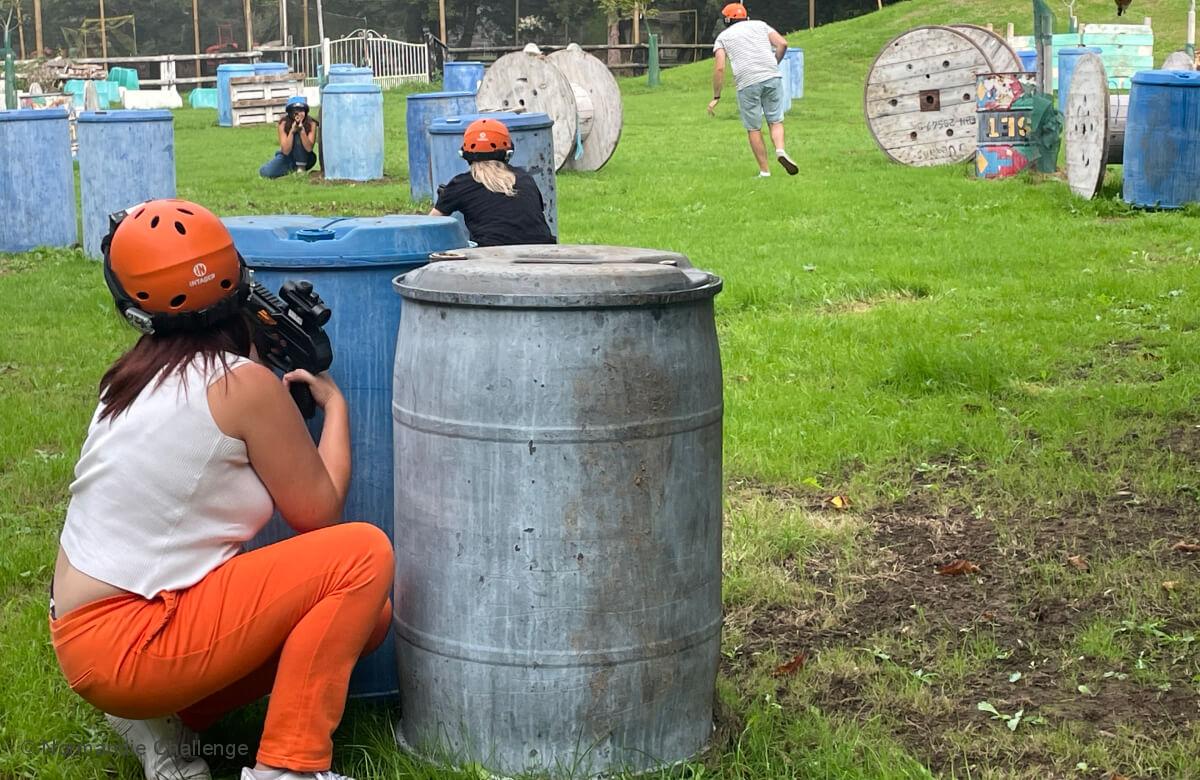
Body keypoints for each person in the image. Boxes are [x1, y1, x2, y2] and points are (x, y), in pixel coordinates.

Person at [49, 199, 391, 780]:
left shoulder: (129, 381)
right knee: (363, 555)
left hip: (84, 636)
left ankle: (167, 718)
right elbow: (320, 513)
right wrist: (335, 408)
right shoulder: (243, 386)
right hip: (132, 641)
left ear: (133, 307)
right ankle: (290, 767)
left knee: (371, 619)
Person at [429, 117, 556, 246]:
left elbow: (431, 225)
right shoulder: (524, 178)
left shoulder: (460, 184)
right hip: (542, 251)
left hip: (492, 256)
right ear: (508, 153)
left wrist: (445, 198)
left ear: (464, 154)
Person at [707, 2, 798, 178]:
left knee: (754, 128)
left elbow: (719, 68)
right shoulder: (760, 25)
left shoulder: (723, 37)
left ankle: (765, 172)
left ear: (727, 19)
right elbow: (782, 44)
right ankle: (780, 150)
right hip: (772, 76)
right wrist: (774, 63)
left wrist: (716, 96)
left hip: (747, 82)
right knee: (776, 120)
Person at [260, 95, 319, 178]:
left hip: (306, 158)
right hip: (287, 157)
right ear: (290, 112)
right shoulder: (283, 124)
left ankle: (301, 168)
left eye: (301, 110)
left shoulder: (311, 123)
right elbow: (285, 151)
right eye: (295, 111)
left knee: (298, 136)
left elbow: (309, 148)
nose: (299, 114)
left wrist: (302, 131)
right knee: (266, 172)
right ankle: (291, 169)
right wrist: (292, 131)